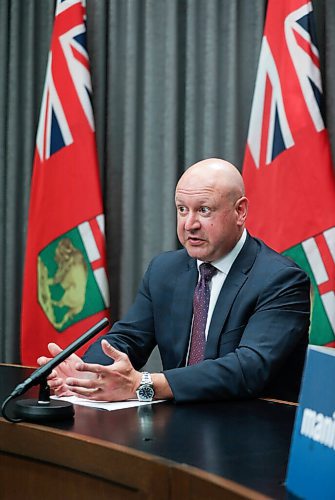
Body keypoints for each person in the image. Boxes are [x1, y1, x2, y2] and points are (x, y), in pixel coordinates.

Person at [37, 158, 310, 403]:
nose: (189, 224)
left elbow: (249, 368)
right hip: (179, 426)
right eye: (182, 209)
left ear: (240, 212)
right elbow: (128, 338)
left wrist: (143, 384)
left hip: (252, 434)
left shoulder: (281, 280)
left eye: (204, 210)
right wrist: (89, 375)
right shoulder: (165, 269)